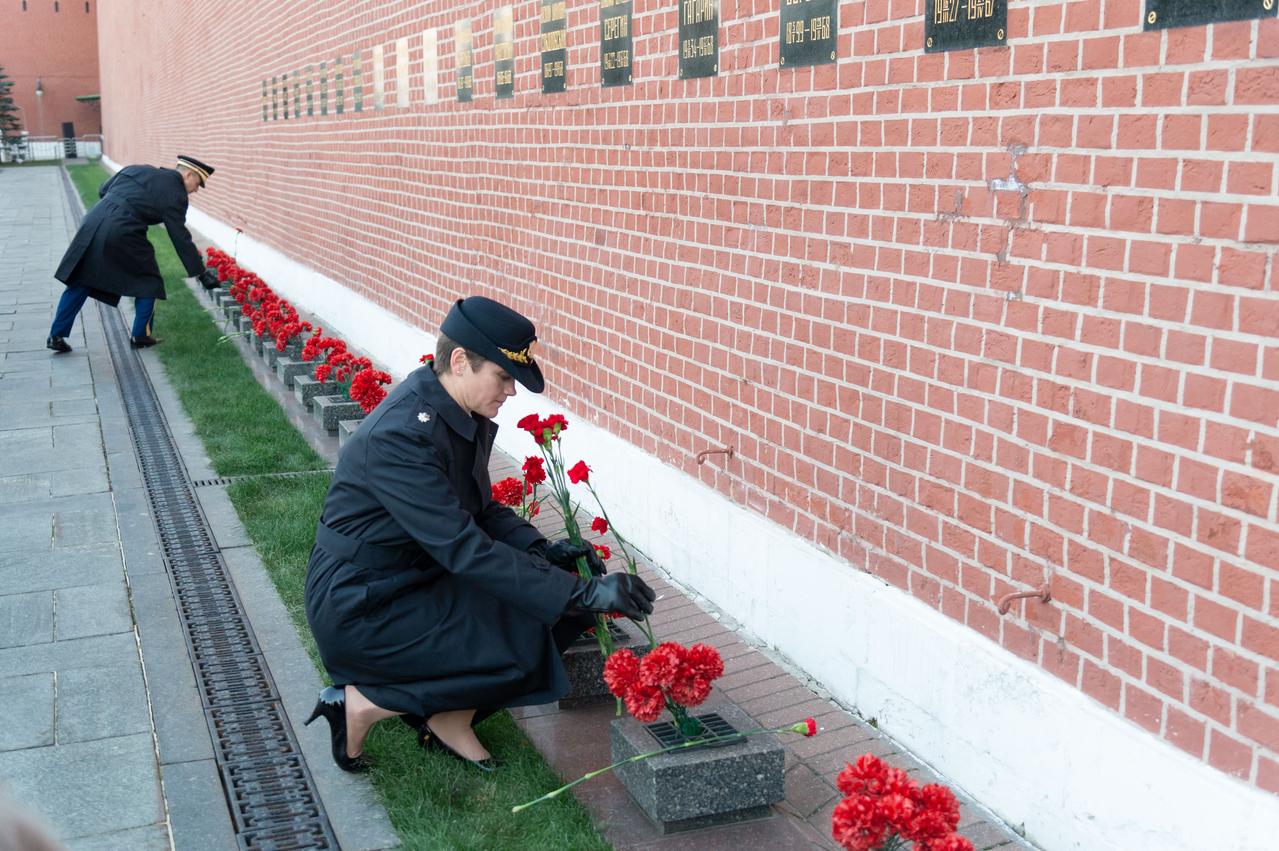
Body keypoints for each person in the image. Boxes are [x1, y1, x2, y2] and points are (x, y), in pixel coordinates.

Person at [303, 296, 656, 772]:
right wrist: (585, 591)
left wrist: (543, 549)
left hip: (412, 578)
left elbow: (480, 509)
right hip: (364, 606)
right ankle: (361, 704)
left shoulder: (450, 410)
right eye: (504, 376)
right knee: (529, 625)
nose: (510, 392)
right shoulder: (403, 436)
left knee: (547, 605)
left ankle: (451, 717)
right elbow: (463, 547)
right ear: (459, 361)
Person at [47, 154, 222, 352]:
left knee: (81, 279)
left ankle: (56, 335)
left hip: (94, 220)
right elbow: (180, 237)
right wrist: (201, 273)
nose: (196, 190)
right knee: (149, 282)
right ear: (189, 175)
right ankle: (141, 335)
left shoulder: (139, 168)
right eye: (198, 184)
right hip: (125, 230)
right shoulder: (176, 195)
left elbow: (103, 189)